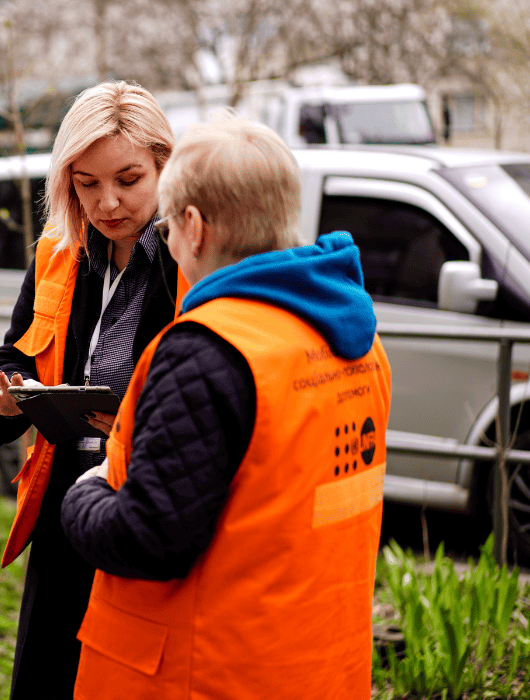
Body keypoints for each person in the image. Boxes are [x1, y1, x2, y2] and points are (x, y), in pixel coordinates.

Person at [60, 115, 393, 699]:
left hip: (208, 672)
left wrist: (84, 493)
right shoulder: (357, 343)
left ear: (194, 226)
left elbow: (148, 537)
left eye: (165, 227)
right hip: (318, 664)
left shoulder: (206, 351)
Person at [0, 80, 186, 699]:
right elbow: (18, 348)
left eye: (127, 179)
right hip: (61, 503)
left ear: (165, 168)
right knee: (46, 675)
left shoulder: (191, 258)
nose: (108, 202)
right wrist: (9, 390)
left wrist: (134, 423)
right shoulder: (57, 252)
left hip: (141, 501)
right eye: (86, 183)